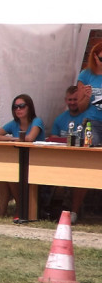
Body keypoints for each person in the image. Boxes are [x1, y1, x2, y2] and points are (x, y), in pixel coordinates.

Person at [0, 94, 45, 218]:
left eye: (21, 106)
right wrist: (11, 138)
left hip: (37, 163)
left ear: (29, 107)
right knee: (3, 176)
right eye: (15, 107)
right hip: (20, 162)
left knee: (11, 175)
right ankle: (2, 212)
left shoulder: (36, 121)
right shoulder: (14, 123)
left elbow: (29, 138)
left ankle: (21, 208)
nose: (18, 109)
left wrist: (14, 139)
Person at [49, 85, 102, 222]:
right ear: (65, 100)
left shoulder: (89, 117)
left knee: (81, 173)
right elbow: (53, 139)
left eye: (75, 99)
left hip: (83, 161)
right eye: (70, 100)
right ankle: (44, 209)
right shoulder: (59, 119)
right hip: (62, 159)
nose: (73, 102)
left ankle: (74, 212)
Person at [76, 41, 102, 108]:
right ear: (95, 56)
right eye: (101, 59)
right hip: (91, 117)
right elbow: (80, 108)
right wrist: (87, 97)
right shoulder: (85, 75)